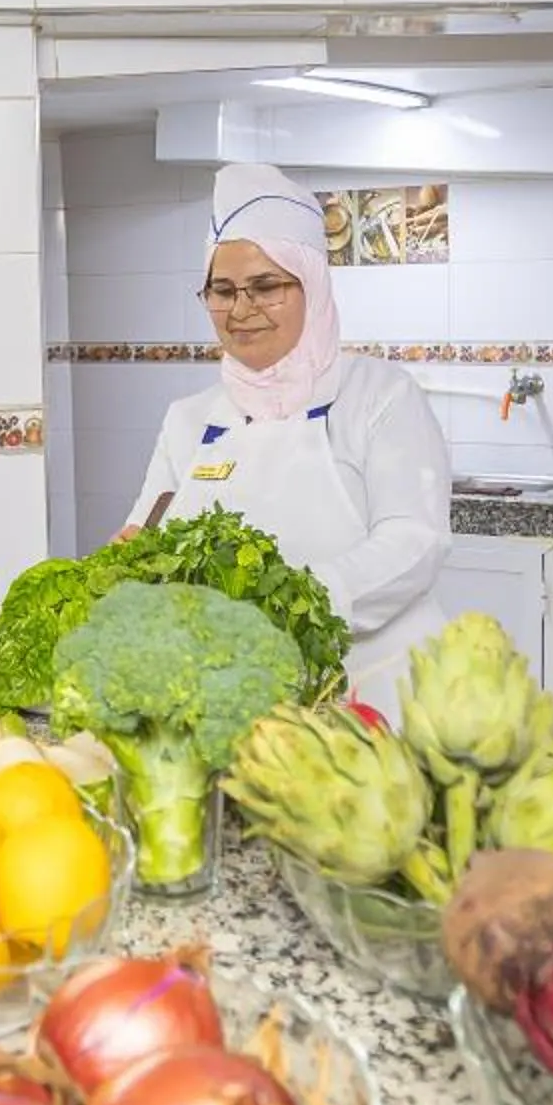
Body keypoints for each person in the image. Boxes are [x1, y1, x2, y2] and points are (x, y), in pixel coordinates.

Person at [123, 162, 452, 710]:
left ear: (313, 286)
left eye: (266, 286)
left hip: (376, 695)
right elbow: (145, 540)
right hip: (238, 706)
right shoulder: (188, 419)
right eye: (222, 291)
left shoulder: (380, 396)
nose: (242, 309)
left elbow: (413, 542)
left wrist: (289, 605)